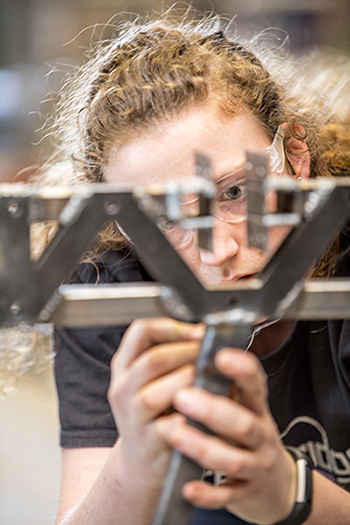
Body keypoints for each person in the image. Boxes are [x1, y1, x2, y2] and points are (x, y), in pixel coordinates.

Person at [37, 11, 350, 525]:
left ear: (295, 157)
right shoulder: (104, 282)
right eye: (162, 218)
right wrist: (134, 468)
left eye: (235, 192)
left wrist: (288, 492)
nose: (216, 251)